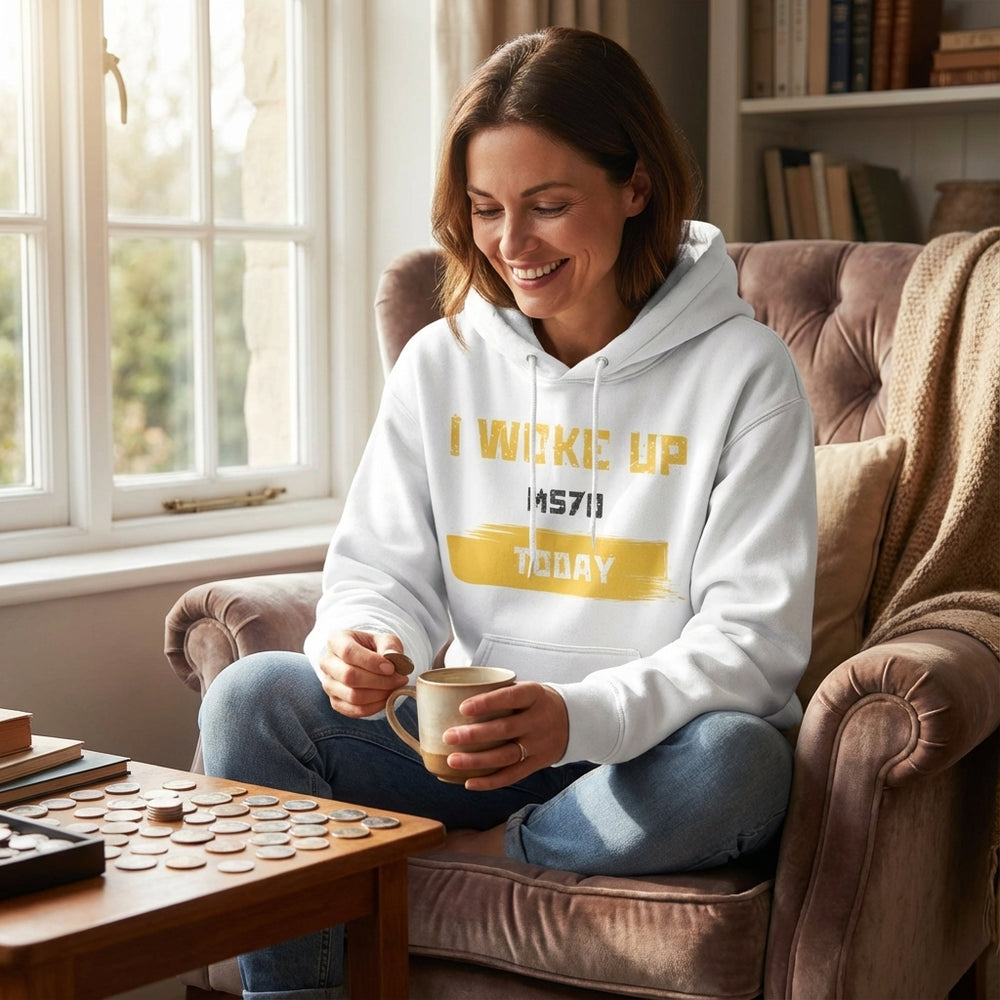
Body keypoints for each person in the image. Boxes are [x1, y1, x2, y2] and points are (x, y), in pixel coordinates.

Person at [199, 26, 817, 999]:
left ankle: (503, 848)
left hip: (647, 757)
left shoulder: (745, 374)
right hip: (468, 743)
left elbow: (754, 641)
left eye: (548, 206)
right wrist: (362, 638)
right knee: (251, 699)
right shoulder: (441, 361)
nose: (511, 245)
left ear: (636, 188)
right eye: (486, 209)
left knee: (741, 764)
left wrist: (575, 716)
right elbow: (379, 569)